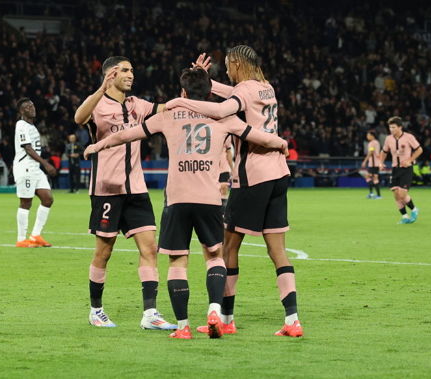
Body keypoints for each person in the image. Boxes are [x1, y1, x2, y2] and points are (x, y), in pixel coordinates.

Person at [84, 68, 288, 339]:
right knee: (215, 257)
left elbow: (129, 134)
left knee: (178, 261)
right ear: (209, 92)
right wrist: (281, 142)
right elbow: (256, 135)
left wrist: (98, 146)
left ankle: (182, 327)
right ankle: (214, 309)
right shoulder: (224, 118)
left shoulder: (169, 116)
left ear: (183, 93)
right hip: (210, 200)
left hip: (178, 200)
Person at [165, 48, 302, 338]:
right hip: (279, 173)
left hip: (252, 176)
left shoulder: (244, 90)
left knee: (228, 248)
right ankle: (293, 320)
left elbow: (220, 110)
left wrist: (179, 100)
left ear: (237, 63)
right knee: (278, 250)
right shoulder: (266, 88)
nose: (227, 71)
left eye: (228, 66)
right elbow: (234, 94)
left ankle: (226, 317)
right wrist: (202, 81)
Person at [74, 56, 174, 330]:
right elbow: (79, 118)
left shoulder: (137, 104)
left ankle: (150, 313)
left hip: (136, 189)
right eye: (126, 71)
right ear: (112, 73)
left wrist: (194, 87)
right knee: (104, 252)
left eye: (132, 70)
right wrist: (100, 89)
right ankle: (96, 310)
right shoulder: (98, 104)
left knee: (149, 248)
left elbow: (166, 107)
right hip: (106, 189)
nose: (131, 75)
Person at [13, 98, 56, 248]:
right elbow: (28, 148)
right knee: (26, 202)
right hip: (25, 167)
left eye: (32, 105)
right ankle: (21, 239)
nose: (32, 108)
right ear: (21, 111)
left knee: (48, 199)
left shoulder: (32, 126)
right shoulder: (21, 125)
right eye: (27, 107)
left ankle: (35, 235)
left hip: (35, 169)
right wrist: (46, 164)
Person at [379, 117, 422, 224]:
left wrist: (410, 160)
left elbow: (419, 149)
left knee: (402, 194)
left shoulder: (408, 137)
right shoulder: (388, 139)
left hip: (406, 169)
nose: (391, 129)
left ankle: (414, 209)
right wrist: (380, 162)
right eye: (390, 127)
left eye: (393, 127)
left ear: (400, 127)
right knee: (396, 194)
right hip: (395, 169)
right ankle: (405, 217)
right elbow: (384, 151)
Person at [360, 130, 382, 199]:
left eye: (368, 135)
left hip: (373, 164)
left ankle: (377, 195)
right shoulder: (377, 142)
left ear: (372, 136)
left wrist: (364, 161)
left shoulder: (372, 143)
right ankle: (372, 194)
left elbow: (371, 152)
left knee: (373, 178)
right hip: (375, 163)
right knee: (370, 177)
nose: (367, 136)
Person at [219, 137, 234, 214]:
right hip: (212, 170)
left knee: (223, 194)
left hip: (223, 170)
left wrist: (232, 169)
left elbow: (229, 153)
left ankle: (223, 218)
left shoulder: (226, 136)